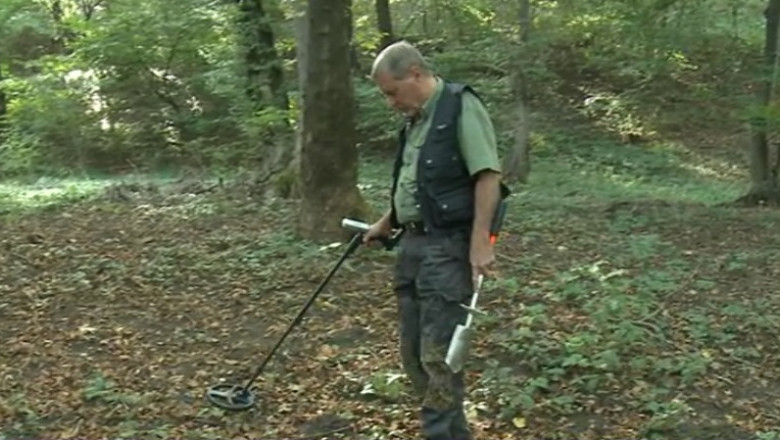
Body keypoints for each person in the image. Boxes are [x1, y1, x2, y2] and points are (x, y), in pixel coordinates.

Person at [363, 40, 507, 440]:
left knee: (439, 355)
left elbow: (488, 175)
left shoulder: (460, 105)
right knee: (413, 353)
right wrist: (386, 222)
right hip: (412, 246)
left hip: (448, 247)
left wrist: (481, 241)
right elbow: (418, 184)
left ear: (415, 73)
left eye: (392, 92)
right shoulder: (416, 120)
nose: (391, 102)